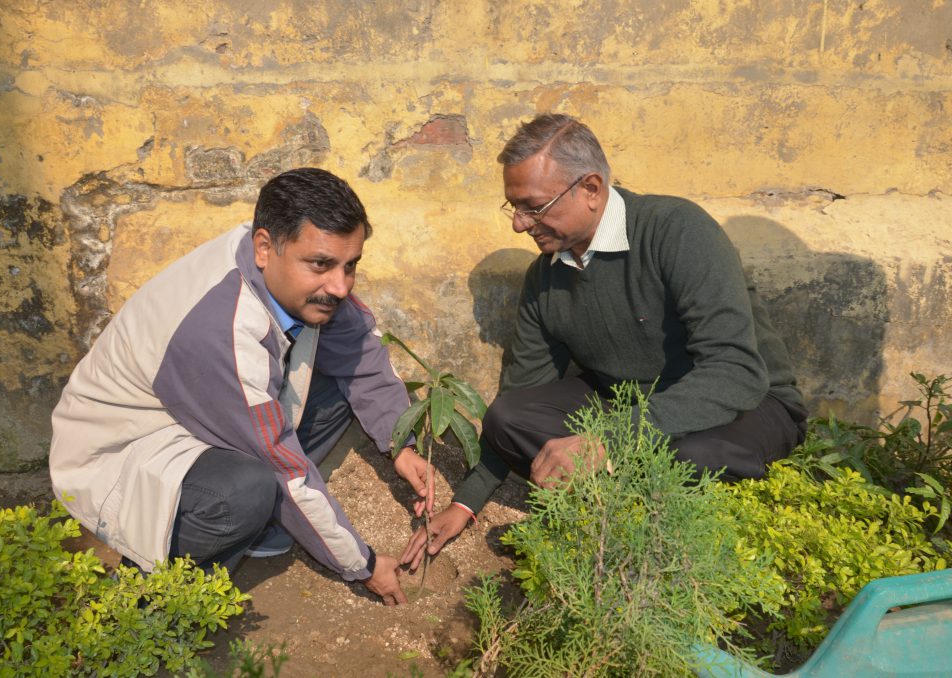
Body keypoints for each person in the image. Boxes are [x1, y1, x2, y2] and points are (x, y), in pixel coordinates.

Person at [402, 113, 807, 570]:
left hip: (747, 405)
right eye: (512, 207)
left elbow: (736, 373)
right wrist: (465, 504)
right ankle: (618, 507)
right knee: (508, 416)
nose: (519, 224)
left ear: (591, 190)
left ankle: (619, 521)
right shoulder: (545, 278)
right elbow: (520, 399)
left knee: (691, 455)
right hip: (630, 402)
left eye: (533, 207)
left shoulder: (677, 230)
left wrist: (608, 440)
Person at [50, 167, 433, 605]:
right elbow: (284, 470)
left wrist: (400, 444)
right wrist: (361, 564)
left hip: (200, 407)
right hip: (121, 451)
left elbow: (361, 357)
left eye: (351, 266)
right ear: (265, 248)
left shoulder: (283, 273)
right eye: (322, 265)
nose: (340, 286)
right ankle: (154, 597)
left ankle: (268, 525)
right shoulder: (221, 330)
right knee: (248, 488)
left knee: (337, 388)